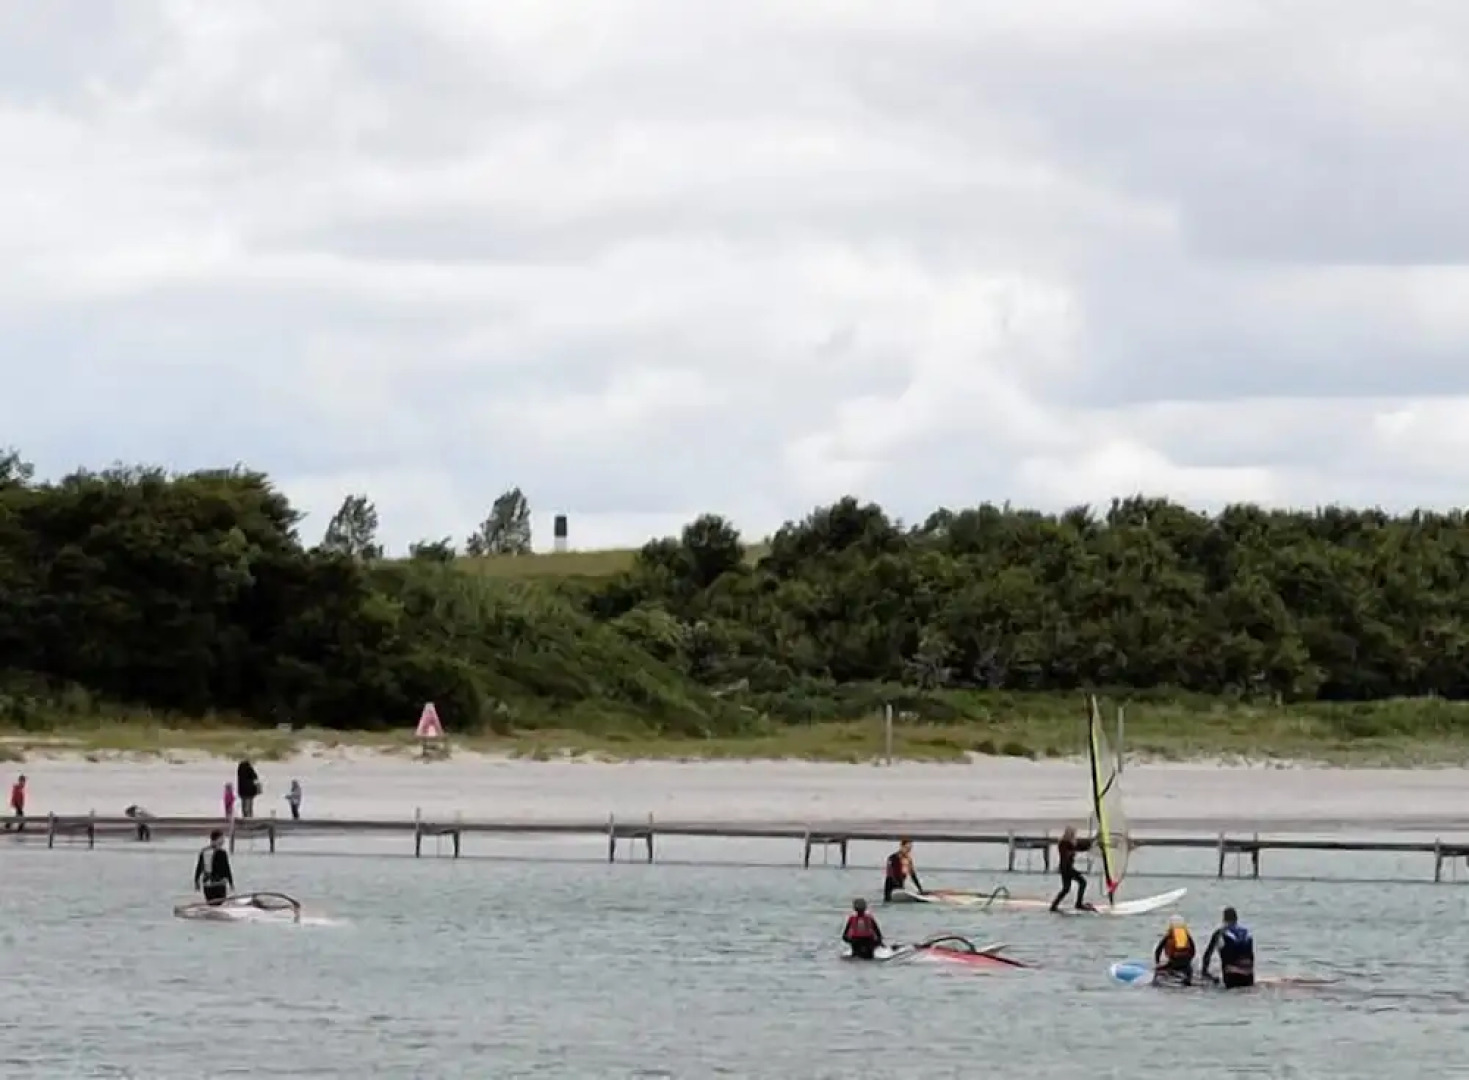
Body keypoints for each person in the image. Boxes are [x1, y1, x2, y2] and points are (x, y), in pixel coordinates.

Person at [1201, 906, 1255, 989]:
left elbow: (1207, 955)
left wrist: (1204, 973)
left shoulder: (1220, 932)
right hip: (1249, 977)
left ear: (1224, 919)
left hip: (1231, 977)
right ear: (1236, 918)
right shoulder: (1246, 932)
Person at [1050, 826, 1095, 912]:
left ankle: (1054, 906)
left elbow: (1080, 847)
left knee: (1066, 888)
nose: (1074, 835)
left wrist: (1091, 843)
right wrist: (1088, 845)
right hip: (1066, 868)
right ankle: (1078, 904)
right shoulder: (1064, 843)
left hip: (1066, 868)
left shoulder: (1069, 843)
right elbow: (1072, 850)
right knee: (1082, 882)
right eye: (1073, 834)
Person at [193, 829, 235, 905]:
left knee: (211, 904)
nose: (223, 841)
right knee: (219, 905)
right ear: (217, 839)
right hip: (219, 885)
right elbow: (226, 869)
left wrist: (196, 881)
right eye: (222, 838)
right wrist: (231, 883)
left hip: (207, 885)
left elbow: (199, 868)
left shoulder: (204, 851)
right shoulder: (222, 853)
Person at [1153, 914, 1197, 985]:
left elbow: (1158, 950)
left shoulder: (1169, 935)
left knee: (1157, 972)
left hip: (1173, 962)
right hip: (1186, 964)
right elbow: (1193, 950)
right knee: (1189, 975)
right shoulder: (1186, 935)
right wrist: (1189, 960)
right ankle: (1187, 980)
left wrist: (1157, 963)